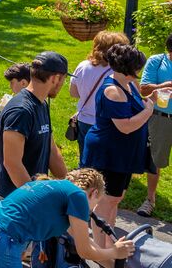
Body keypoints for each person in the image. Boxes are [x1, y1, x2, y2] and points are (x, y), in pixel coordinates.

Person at [0, 169, 135, 268]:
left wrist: (113, 261)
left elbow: (86, 242)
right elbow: (85, 251)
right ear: (93, 193)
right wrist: (114, 251)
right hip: (4, 241)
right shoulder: (78, 196)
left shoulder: (60, 191)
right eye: (96, 203)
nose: (92, 210)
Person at [80, 43, 152, 245]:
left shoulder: (128, 85)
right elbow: (126, 127)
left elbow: (132, 109)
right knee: (105, 202)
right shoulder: (113, 91)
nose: (140, 70)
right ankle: (101, 251)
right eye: (138, 66)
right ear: (129, 67)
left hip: (123, 154)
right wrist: (149, 110)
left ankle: (110, 244)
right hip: (108, 154)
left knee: (115, 199)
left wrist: (147, 101)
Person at [0, 51, 69, 212]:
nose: (62, 85)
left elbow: (51, 150)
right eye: (63, 80)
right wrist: (36, 199)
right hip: (11, 199)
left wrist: (69, 188)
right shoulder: (21, 111)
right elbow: (12, 163)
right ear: (55, 78)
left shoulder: (42, 104)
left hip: (26, 195)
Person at [69, 31, 128, 158]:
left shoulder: (82, 66)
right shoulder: (119, 72)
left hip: (84, 120)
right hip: (109, 123)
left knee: (85, 162)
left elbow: (73, 93)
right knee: (107, 164)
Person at [138, 30, 172, 217]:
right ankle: (150, 200)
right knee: (154, 161)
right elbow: (143, 89)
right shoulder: (157, 61)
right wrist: (163, 86)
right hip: (160, 119)